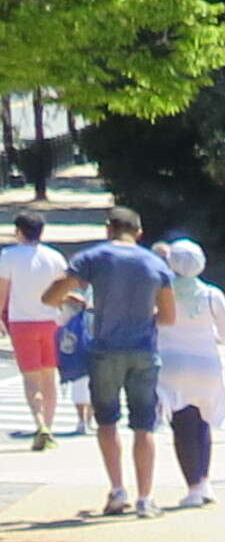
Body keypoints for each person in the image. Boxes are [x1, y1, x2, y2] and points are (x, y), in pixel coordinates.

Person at [46, 204, 170, 514]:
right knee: (144, 424)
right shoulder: (155, 263)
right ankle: (146, 497)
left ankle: (117, 490)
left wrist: (79, 300)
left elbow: (50, 297)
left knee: (107, 421)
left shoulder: (93, 258)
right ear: (139, 233)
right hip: (143, 349)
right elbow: (168, 316)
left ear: (108, 229)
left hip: (105, 349)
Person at [154, 237, 225, 508]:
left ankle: (193, 485)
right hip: (206, 365)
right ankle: (204, 480)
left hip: (171, 365)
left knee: (182, 425)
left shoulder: (159, 292)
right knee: (203, 423)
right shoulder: (212, 294)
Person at [2, 207, 63, 451]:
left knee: (31, 378)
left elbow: (2, 291)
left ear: (18, 231)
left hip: (22, 322)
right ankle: (49, 425)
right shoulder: (55, 257)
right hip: (50, 321)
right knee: (50, 377)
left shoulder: (8, 256)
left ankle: (40, 424)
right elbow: (62, 291)